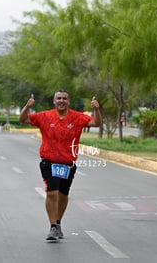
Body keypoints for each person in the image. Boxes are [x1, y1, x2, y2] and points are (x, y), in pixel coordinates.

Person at [19, 90, 102, 242]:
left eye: (64, 98)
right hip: (49, 162)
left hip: (68, 163)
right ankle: (52, 227)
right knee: (52, 193)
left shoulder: (77, 117)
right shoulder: (44, 116)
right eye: (59, 98)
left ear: (68, 101)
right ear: (54, 101)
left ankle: (57, 223)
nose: (61, 101)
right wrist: (27, 106)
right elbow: (23, 119)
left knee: (63, 195)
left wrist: (96, 109)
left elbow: (96, 123)